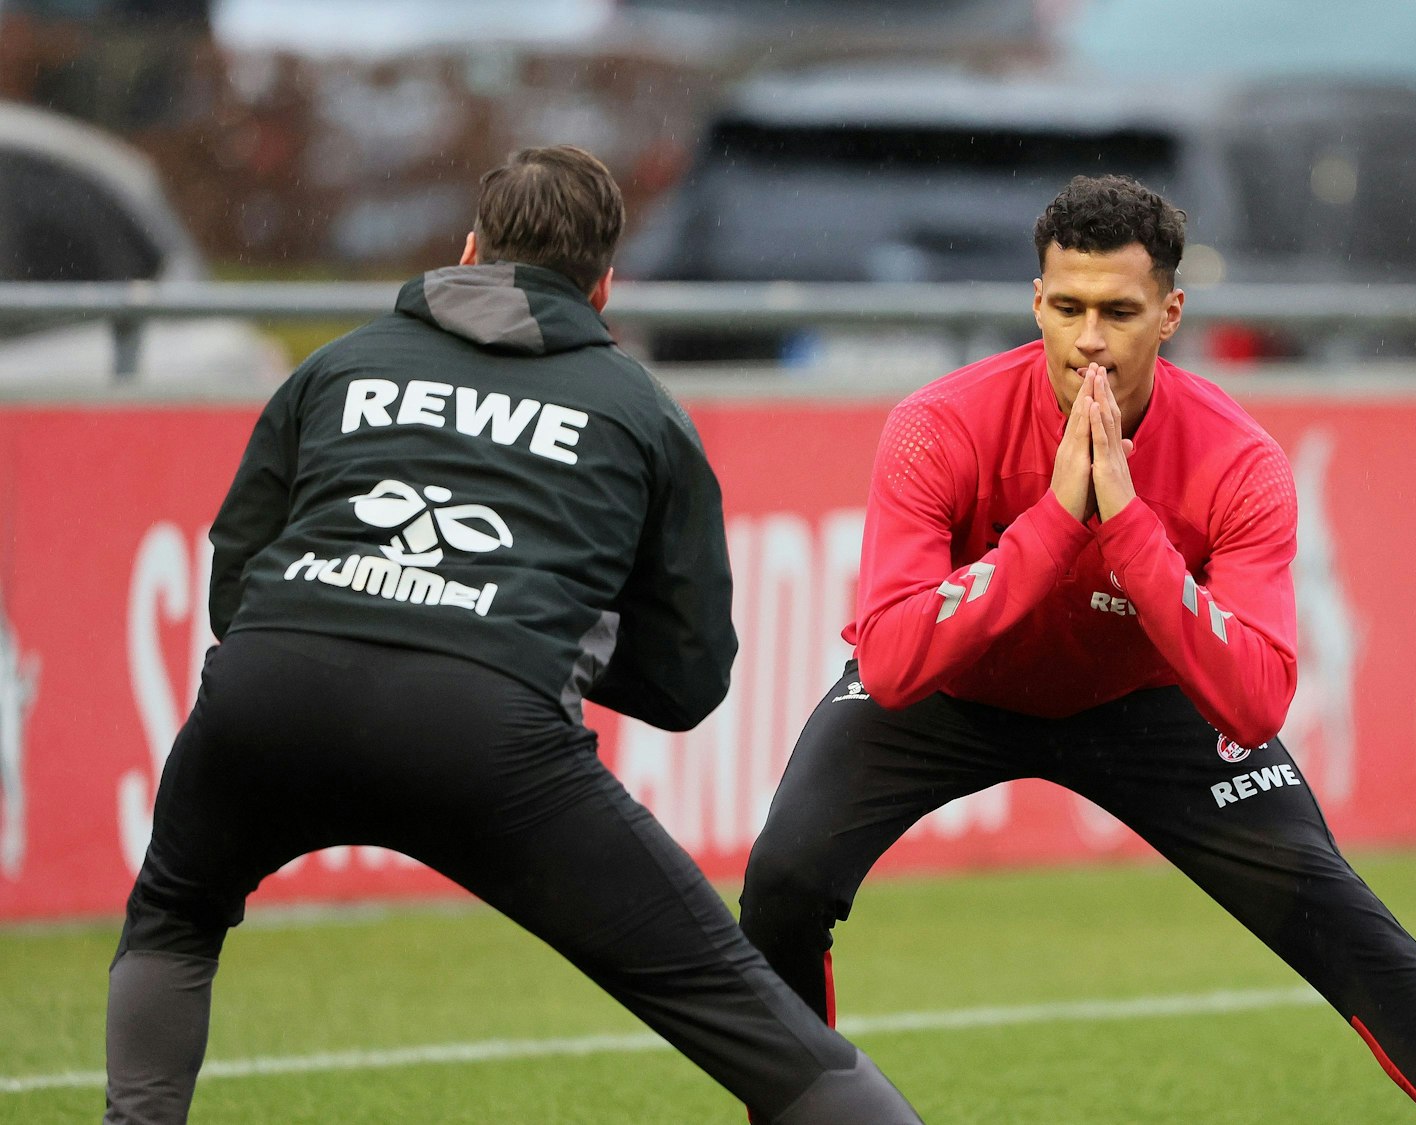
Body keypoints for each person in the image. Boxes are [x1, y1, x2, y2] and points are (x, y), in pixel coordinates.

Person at [103, 146, 922, 1125]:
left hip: (269, 691)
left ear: (466, 250)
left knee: (175, 920)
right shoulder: (641, 412)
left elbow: (237, 574)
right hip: (483, 728)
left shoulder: (337, 367)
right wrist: (533, 635)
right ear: (604, 284)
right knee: (743, 1016)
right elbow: (690, 677)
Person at [738, 175, 1416, 1123]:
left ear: (1169, 315)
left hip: (1144, 699)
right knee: (783, 880)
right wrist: (1052, 522)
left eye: (1119, 312)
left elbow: (1253, 700)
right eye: (1068, 308)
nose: (1089, 339)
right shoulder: (936, 429)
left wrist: (1125, 524)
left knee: (1347, 924)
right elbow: (893, 661)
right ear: (1035, 302)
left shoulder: (1238, 463)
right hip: (955, 689)